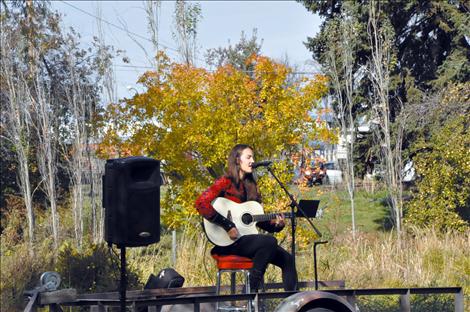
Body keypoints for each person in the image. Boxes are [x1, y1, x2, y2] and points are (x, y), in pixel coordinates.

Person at [195, 144, 298, 292]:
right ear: (237, 160)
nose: (252, 160)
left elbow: (255, 221)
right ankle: (250, 290)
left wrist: (277, 225)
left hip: (246, 240)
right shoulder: (225, 182)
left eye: (253, 157)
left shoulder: (251, 187)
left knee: (287, 259)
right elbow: (201, 203)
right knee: (269, 241)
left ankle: (293, 302)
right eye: (248, 157)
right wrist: (228, 225)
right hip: (228, 242)